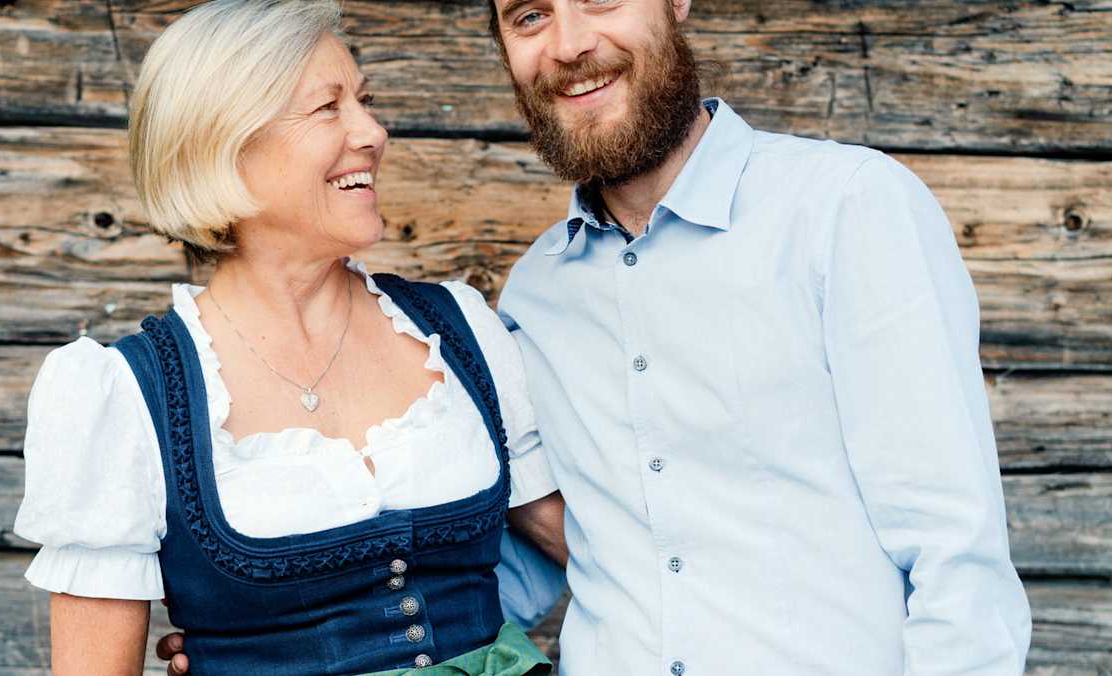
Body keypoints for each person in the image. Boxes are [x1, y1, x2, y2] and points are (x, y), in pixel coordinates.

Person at [162, 0, 1034, 674]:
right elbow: (521, 561)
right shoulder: (538, 292)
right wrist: (272, 632)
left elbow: (956, 558)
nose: (569, 43)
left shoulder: (847, 211)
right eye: (529, 15)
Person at [12, 1, 567, 674]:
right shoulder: (126, 395)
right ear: (224, 145)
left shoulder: (457, 327)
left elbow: (589, 549)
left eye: (365, 100)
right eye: (327, 108)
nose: (372, 132)